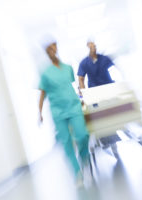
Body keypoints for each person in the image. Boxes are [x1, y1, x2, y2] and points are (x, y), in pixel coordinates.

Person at [38, 39, 90, 185]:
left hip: (74, 106)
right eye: (48, 50)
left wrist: (83, 97)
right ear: (47, 53)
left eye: (53, 48)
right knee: (66, 142)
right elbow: (42, 93)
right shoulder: (45, 74)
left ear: (56, 48)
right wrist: (40, 112)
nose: (52, 51)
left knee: (82, 135)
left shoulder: (68, 68)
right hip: (58, 111)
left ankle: (84, 155)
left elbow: (72, 86)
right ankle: (77, 172)